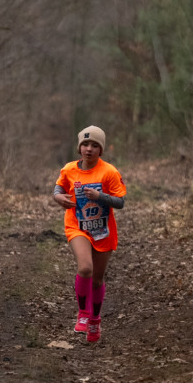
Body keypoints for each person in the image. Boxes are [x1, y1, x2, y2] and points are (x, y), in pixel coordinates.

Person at [52, 125, 126, 343]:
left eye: (94, 145)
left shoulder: (109, 172)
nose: (89, 149)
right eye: (85, 144)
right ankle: (83, 314)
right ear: (79, 148)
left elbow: (120, 201)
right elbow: (59, 188)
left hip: (103, 230)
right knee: (85, 268)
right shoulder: (69, 170)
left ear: (100, 150)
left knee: (97, 279)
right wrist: (58, 198)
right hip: (77, 226)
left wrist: (100, 196)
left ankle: (95, 320)